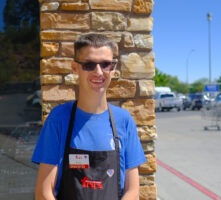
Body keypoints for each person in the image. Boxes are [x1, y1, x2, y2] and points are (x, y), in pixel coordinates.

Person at [32, 34, 146, 200]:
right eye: (89, 64)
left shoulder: (124, 120)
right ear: (75, 68)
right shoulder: (58, 119)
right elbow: (43, 193)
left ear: (113, 69)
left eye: (106, 64)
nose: (98, 72)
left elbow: (133, 192)